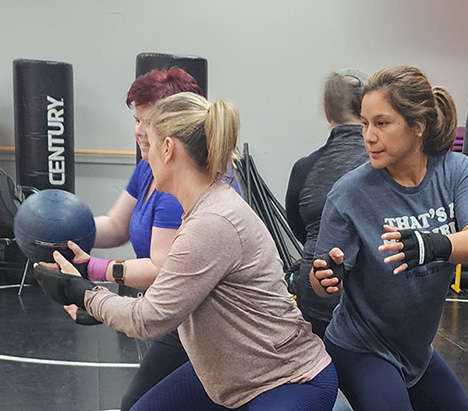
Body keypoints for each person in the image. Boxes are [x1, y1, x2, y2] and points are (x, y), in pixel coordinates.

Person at [35, 92, 338, 410]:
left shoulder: (213, 221)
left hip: (287, 380)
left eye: (150, 144)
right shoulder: (204, 207)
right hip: (234, 377)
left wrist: (81, 292)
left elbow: (148, 319)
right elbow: (173, 293)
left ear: (168, 148)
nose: (146, 157)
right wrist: (90, 280)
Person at [310, 65, 468, 411]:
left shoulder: (456, 171)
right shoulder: (349, 193)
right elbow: (320, 286)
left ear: (418, 126)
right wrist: (325, 279)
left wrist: (430, 245)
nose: (368, 136)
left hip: (417, 351)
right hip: (361, 348)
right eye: (365, 123)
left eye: (382, 123)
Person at [65, 67, 204, 411]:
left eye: (148, 122)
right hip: (177, 316)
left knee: (138, 404)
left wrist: (91, 273)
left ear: (176, 125)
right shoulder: (149, 166)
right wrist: (63, 232)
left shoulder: (180, 186)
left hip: (202, 323)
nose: (139, 131)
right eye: (136, 120)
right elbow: (117, 225)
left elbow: (162, 269)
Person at [285, 68, 369, 339]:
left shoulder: (305, 168)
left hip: (321, 301)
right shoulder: (387, 168)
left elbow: (299, 228)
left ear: (326, 111)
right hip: (367, 304)